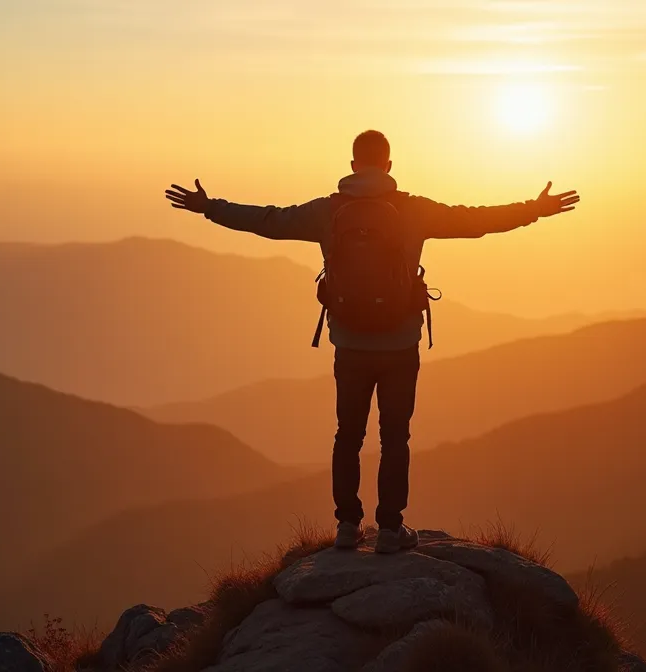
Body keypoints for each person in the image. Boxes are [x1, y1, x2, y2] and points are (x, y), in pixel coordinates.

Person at [164, 130, 580, 553]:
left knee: (348, 434)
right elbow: (475, 220)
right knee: (394, 437)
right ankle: (389, 529)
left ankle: (347, 526)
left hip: (350, 344)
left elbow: (268, 221)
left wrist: (209, 207)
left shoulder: (328, 211)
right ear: (389, 166)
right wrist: (535, 210)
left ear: (351, 166)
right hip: (400, 344)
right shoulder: (413, 210)